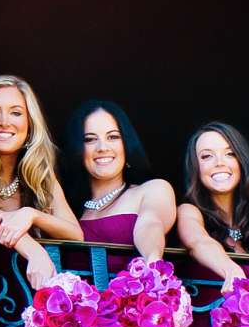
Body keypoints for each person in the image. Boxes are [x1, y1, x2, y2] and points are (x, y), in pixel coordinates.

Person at [0, 74, 80, 288]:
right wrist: (35, 251)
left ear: (29, 124)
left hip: (28, 298)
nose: (4, 121)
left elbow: (76, 234)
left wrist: (32, 215)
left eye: (16, 113)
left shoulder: (41, 176)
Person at [63, 99, 175, 262]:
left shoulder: (153, 189)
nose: (102, 147)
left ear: (126, 144)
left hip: (138, 286)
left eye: (113, 137)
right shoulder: (65, 207)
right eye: (90, 139)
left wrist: (152, 260)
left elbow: (150, 224)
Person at [175, 121, 249, 278]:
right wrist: (231, 271)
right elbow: (199, 243)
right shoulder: (188, 213)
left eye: (230, 154)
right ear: (195, 168)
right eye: (207, 156)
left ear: (242, 162)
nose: (219, 163)